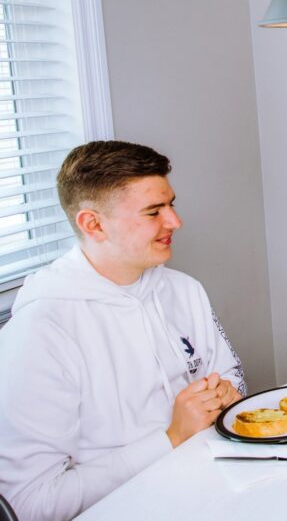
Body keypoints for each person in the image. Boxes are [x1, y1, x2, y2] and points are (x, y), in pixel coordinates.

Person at [0, 141, 246, 521]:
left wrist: (227, 395)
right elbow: (32, 504)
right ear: (93, 224)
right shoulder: (40, 331)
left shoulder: (184, 289)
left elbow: (233, 377)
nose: (175, 222)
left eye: (171, 204)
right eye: (153, 211)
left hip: (218, 486)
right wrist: (170, 439)